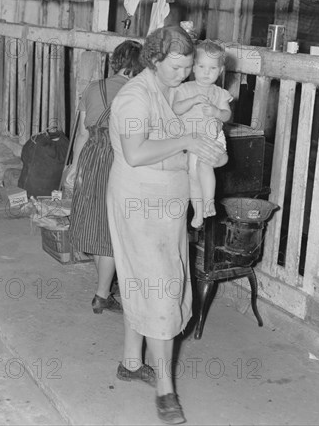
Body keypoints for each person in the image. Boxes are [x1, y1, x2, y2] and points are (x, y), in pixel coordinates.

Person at [107, 26, 228, 425]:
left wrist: (207, 148)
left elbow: (203, 136)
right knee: (161, 287)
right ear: (154, 60)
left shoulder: (170, 91)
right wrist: (188, 143)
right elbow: (136, 152)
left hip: (170, 201)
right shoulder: (134, 97)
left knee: (146, 280)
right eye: (177, 67)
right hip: (140, 200)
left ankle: (130, 362)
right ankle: (165, 390)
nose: (184, 74)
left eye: (189, 68)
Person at [67, 39, 143, 315]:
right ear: (140, 65)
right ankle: (102, 294)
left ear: (116, 62)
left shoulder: (92, 88)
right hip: (118, 159)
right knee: (111, 230)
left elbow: (83, 133)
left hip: (90, 156)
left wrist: (75, 168)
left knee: (96, 223)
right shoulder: (137, 92)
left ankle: (106, 287)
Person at [173, 40, 232, 228]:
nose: (207, 72)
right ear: (193, 68)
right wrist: (192, 100)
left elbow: (227, 114)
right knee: (192, 176)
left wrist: (216, 112)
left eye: (213, 68)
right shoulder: (184, 88)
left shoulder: (220, 93)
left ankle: (209, 202)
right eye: (202, 66)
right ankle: (198, 212)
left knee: (204, 165)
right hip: (192, 141)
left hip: (212, 138)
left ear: (220, 71)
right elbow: (177, 108)